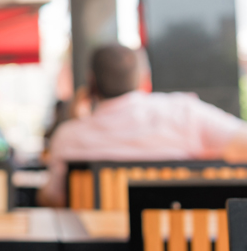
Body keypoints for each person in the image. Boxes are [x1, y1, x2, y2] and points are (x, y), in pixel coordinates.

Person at [38, 43, 247, 207]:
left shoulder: (69, 136)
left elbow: (53, 198)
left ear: (91, 83)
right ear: (142, 77)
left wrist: (76, 120)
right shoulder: (184, 113)